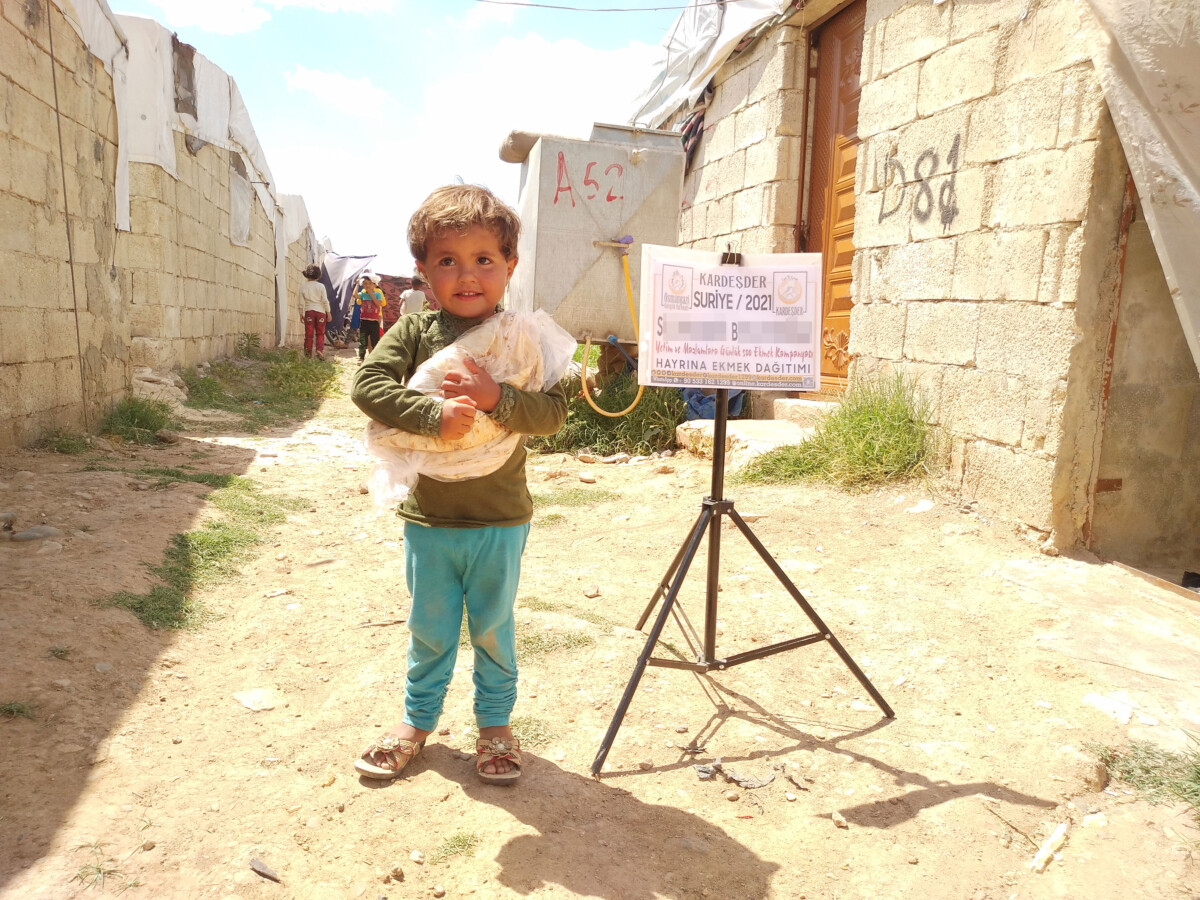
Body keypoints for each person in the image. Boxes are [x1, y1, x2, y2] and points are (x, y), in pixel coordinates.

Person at [350, 184, 567, 785]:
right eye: (447, 261)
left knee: (493, 628)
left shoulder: (524, 339)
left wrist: (498, 397)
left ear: (509, 267)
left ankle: (495, 726)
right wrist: (431, 419)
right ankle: (416, 724)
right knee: (431, 625)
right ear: (422, 271)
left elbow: (552, 415)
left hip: (501, 519)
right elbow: (367, 388)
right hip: (431, 521)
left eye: (483, 261)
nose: (467, 275)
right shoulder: (415, 332)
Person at [299, 263, 330, 358]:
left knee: (309, 334)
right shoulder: (321, 286)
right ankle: (319, 350)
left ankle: (308, 354)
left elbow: (300, 303)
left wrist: (301, 314)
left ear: (307, 275)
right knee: (320, 333)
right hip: (320, 312)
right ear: (318, 275)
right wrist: (328, 312)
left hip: (309, 312)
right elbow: (325, 300)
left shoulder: (303, 287)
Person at [355, 273, 386, 362]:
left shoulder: (377, 294)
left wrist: (371, 294)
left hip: (374, 321)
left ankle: (375, 358)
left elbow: (378, 304)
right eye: (365, 283)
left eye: (369, 283)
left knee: (375, 340)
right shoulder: (363, 294)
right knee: (362, 340)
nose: (367, 285)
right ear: (362, 285)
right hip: (364, 321)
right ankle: (361, 357)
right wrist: (357, 284)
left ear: (374, 284)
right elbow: (355, 295)